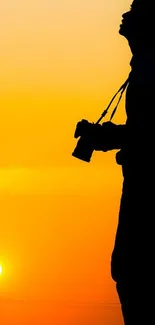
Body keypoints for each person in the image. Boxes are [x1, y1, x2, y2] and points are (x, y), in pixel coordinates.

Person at [93, 1, 155, 323]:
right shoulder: (142, 65)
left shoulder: (152, 66)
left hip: (149, 184)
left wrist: (108, 137)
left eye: (136, 8)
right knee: (129, 271)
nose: (126, 13)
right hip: (139, 179)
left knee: (133, 271)